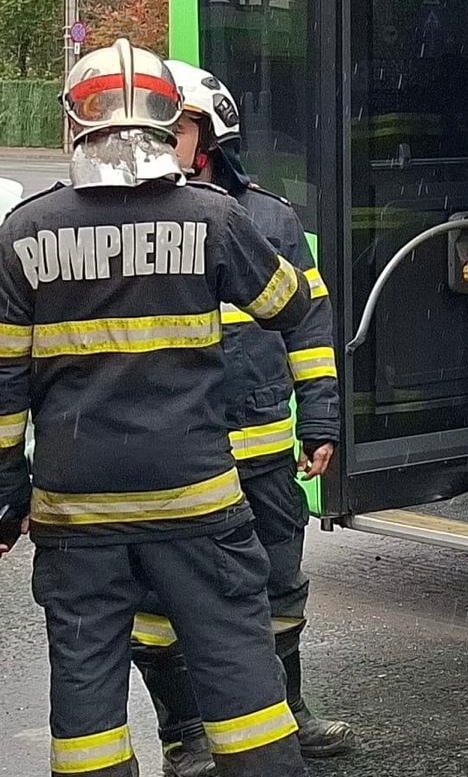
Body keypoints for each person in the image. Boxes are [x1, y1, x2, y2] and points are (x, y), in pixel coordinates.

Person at [0, 39, 312, 777]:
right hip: (196, 500)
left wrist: (6, 506)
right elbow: (286, 306)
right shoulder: (213, 216)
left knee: (85, 693)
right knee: (239, 669)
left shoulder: (24, 233)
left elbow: (4, 391)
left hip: (77, 512)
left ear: (75, 122)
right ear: (171, 120)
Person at [126, 61, 354, 776]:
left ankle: (287, 710)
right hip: (169, 460)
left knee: (280, 586)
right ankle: (184, 732)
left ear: (211, 133)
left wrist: (320, 418)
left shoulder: (269, 219)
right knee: (157, 606)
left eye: (178, 126)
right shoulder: (123, 219)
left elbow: (309, 326)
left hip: (260, 454)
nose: (163, 140)